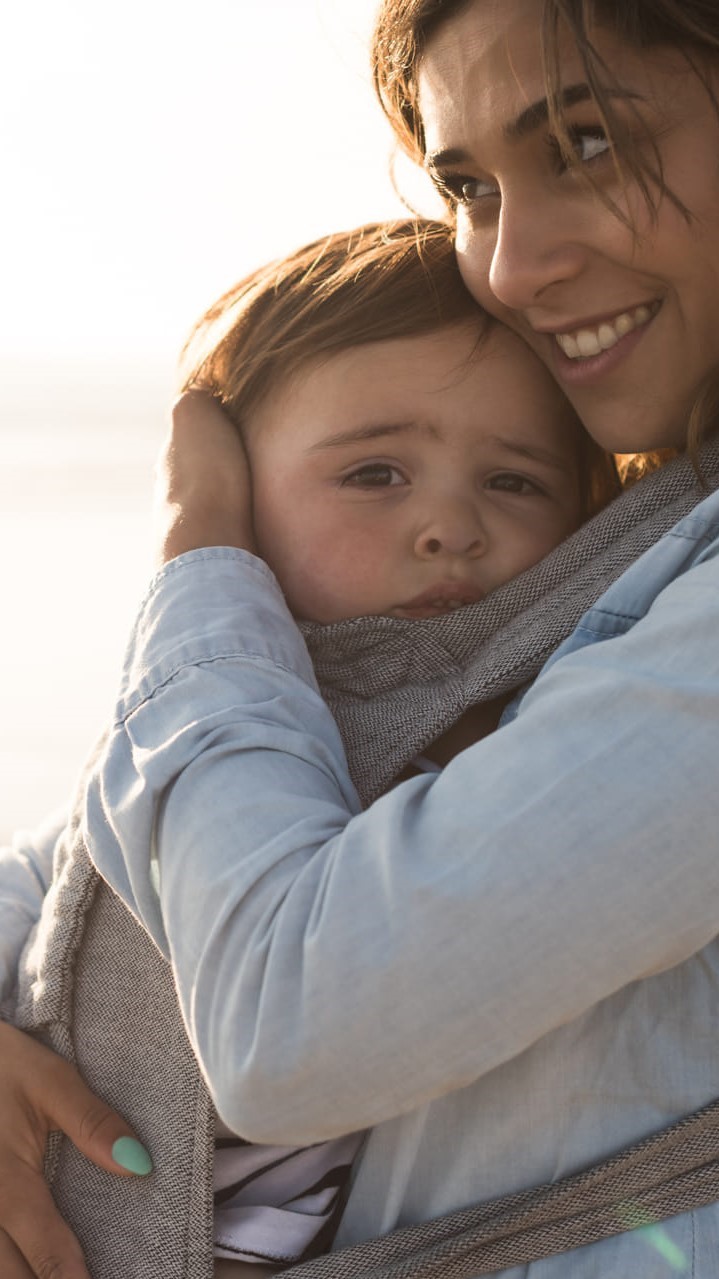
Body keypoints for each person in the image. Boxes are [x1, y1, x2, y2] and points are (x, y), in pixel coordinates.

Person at [3, 0, 719, 1276]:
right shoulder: (595, 602)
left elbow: (288, 1026)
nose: (505, 268)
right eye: (467, 184)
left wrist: (203, 555)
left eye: (590, 142)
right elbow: (66, 871)